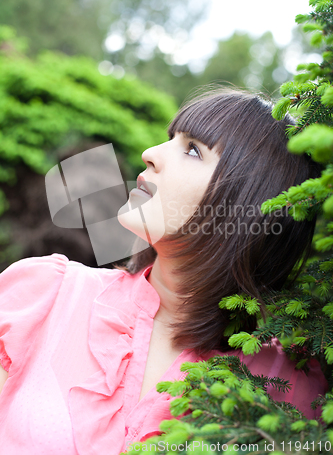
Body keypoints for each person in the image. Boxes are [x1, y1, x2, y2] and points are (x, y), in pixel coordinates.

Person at [0, 88, 327, 455]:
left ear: (245, 203)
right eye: (171, 138)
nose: (150, 154)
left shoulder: (291, 385)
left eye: (192, 150)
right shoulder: (44, 295)